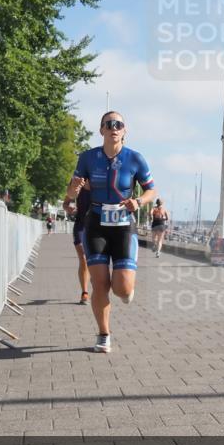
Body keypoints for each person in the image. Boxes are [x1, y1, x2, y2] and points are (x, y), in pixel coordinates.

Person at [65, 111, 156, 353]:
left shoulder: (135, 158)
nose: (114, 127)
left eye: (119, 124)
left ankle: (126, 288)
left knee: (122, 289)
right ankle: (104, 334)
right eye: (109, 124)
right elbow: (72, 193)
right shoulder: (88, 157)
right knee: (100, 284)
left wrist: (139, 202)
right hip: (96, 224)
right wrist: (73, 189)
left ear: (124, 130)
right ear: (101, 129)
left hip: (124, 226)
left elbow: (151, 191)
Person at [63, 179, 92, 304]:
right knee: (84, 259)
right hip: (80, 226)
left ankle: (98, 286)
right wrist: (69, 209)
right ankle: (85, 292)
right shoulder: (76, 181)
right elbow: (65, 203)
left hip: (97, 227)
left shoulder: (100, 178)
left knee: (93, 261)